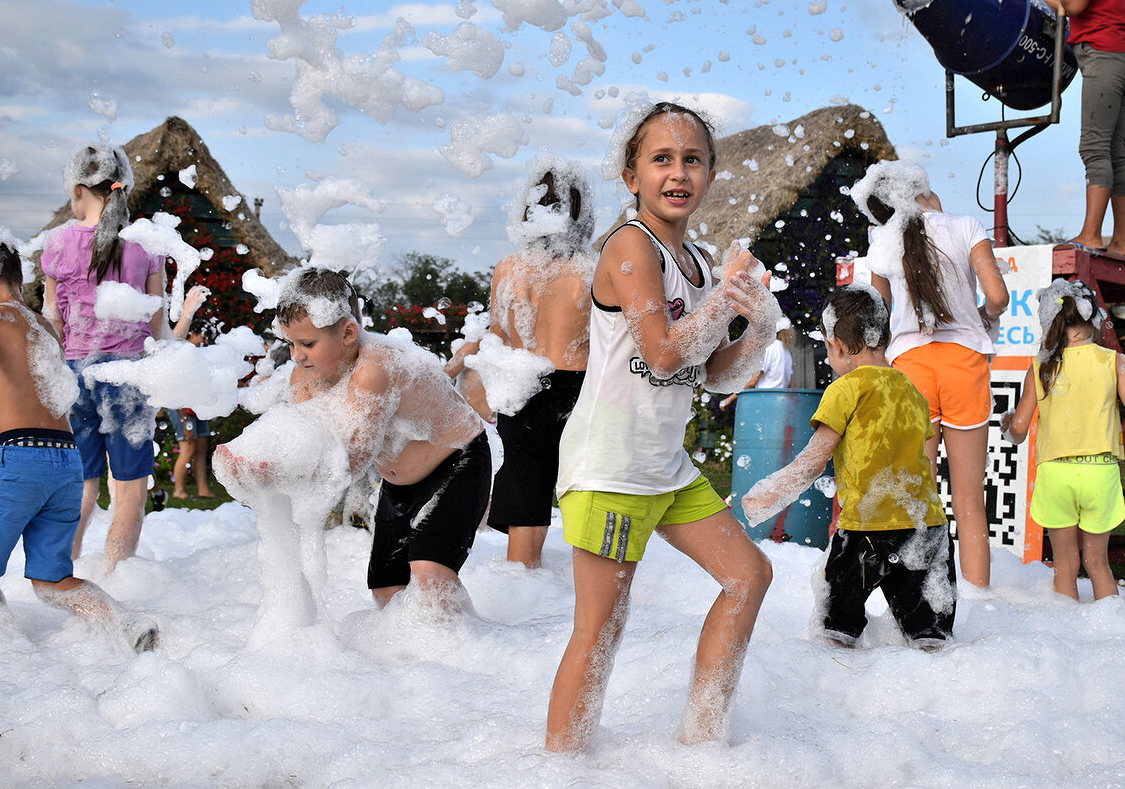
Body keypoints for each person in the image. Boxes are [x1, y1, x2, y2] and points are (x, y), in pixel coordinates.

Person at [546, 102, 780, 753]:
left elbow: (713, 374)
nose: (679, 172)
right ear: (632, 175)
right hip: (612, 466)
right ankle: (560, 768)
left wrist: (756, 327)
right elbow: (665, 353)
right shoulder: (630, 245)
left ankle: (704, 740)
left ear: (709, 173)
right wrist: (726, 298)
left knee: (749, 575)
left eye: (692, 159)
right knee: (601, 627)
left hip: (665, 466)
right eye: (662, 159)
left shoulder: (701, 260)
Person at [215, 267, 491, 609]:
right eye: (291, 343)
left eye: (308, 343)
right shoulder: (305, 375)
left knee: (430, 576)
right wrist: (259, 464)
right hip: (399, 483)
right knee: (386, 588)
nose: (297, 355)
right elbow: (303, 438)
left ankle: (460, 652)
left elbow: (352, 459)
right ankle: (414, 661)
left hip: (458, 462)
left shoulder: (373, 370)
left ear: (348, 333)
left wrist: (277, 473)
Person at [0, 231, 158, 652]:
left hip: (20, 458)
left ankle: (2, 652)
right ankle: (126, 624)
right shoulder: (42, 326)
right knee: (51, 580)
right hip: (66, 464)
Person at [743, 285, 956, 649]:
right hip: (926, 527)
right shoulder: (910, 390)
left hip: (864, 533)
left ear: (838, 346)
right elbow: (923, 464)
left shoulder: (845, 389)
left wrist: (767, 496)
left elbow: (814, 460)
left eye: (827, 349)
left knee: (835, 637)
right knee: (930, 640)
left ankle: (837, 696)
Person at [855, 160, 1008, 588]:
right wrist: (980, 315)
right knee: (968, 499)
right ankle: (978, 594)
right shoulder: (965, 226)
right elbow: (997, 296)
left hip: (910, 370)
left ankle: (920, 597)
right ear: (922, 191)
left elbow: (876, 318)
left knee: (917, 493)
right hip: (964, 364)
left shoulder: (884, 241)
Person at [455, 155, 597, 568]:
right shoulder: (592, 268)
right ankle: (590, 591)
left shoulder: (509, 268)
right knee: (586, 489)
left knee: (526, 491)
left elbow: (497, 337)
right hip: (580, 387)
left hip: (524, 385)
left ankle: (522, 583)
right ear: (580, 213)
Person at [41, 144, 168, 574]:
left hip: (75, 374)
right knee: (130, 493)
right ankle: (117, 583)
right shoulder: (145, 243)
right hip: (128, 376)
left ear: (78, 190)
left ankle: (58, 575)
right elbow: (156, 322)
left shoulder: (57, 243)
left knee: (81, 487)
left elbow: (51, 322)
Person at [1002, 279, 1125, 600]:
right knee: (1098, 563)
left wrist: (1008, 427)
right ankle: (1109, 635)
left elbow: (1019, 431)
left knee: (1065, 565)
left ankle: (1068, 641)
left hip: (1056, 475)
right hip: (1099, 472)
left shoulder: (1040, 368)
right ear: (1093, 319)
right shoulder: (1114, 362)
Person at [1029, 0, 1125, 257]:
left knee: (1094, 149)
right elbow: (1084, 7)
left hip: (1103, 57)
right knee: (1116, 153)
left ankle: (1091, 235)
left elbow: (1075, 4)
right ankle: (1122, 242)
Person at [167, 286, 215, 500]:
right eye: (202, 336)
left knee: (202, 448)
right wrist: (182, 416)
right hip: (180, 408)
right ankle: (179, 491)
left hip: (196, 408)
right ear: (192, 333)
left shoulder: (199, 354)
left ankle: (203, 490)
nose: (205, 341)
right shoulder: (181, 351)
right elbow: (172, 386)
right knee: (187, 448)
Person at [719, 324, 794, 409]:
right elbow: (792, 384)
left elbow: (753, 382)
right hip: (781, 403)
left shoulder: (769, 348)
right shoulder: (786, 350)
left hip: (765, 401)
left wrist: (729, 399)